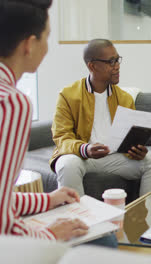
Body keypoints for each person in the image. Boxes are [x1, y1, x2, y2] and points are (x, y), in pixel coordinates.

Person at [0, 0, 88, 241]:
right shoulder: (11, 103)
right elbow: (3, 225)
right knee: (101, 239)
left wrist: (47, 199)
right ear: (29, 44)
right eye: (47, 37)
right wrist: (50, 235)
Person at [50, 39, 151, 197]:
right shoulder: (68, 95)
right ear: (92, 65)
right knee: (66, 164)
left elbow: (129, 138)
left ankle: (146, 217)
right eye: (111, 62)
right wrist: (85, 149)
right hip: (82, 157)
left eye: (117, 60)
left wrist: (136, 150)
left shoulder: (125, 98)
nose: (117, 66)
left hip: (114, 157)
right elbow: (61, 137)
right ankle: (78, 218)